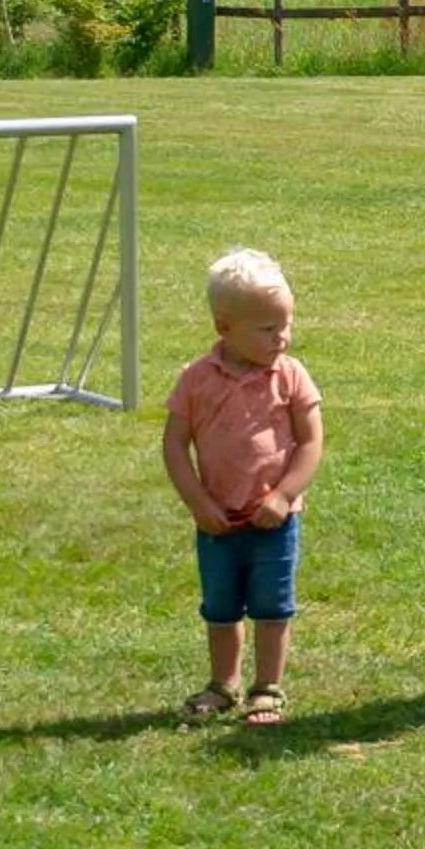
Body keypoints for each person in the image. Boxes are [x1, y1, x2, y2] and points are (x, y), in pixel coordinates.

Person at [162, 247, 324, 727]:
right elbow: (174, 446)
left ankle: (267, 687)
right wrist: (198, 503)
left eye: (286, 324)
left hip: (273, 520)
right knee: (221, 607)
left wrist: (284, 495)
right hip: (218, 520)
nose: (283, 337)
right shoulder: (196, 379)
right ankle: (223, 684)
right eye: (268, 328)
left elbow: (311, 442)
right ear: (223, 327)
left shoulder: (290, 375)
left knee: (273, 605)